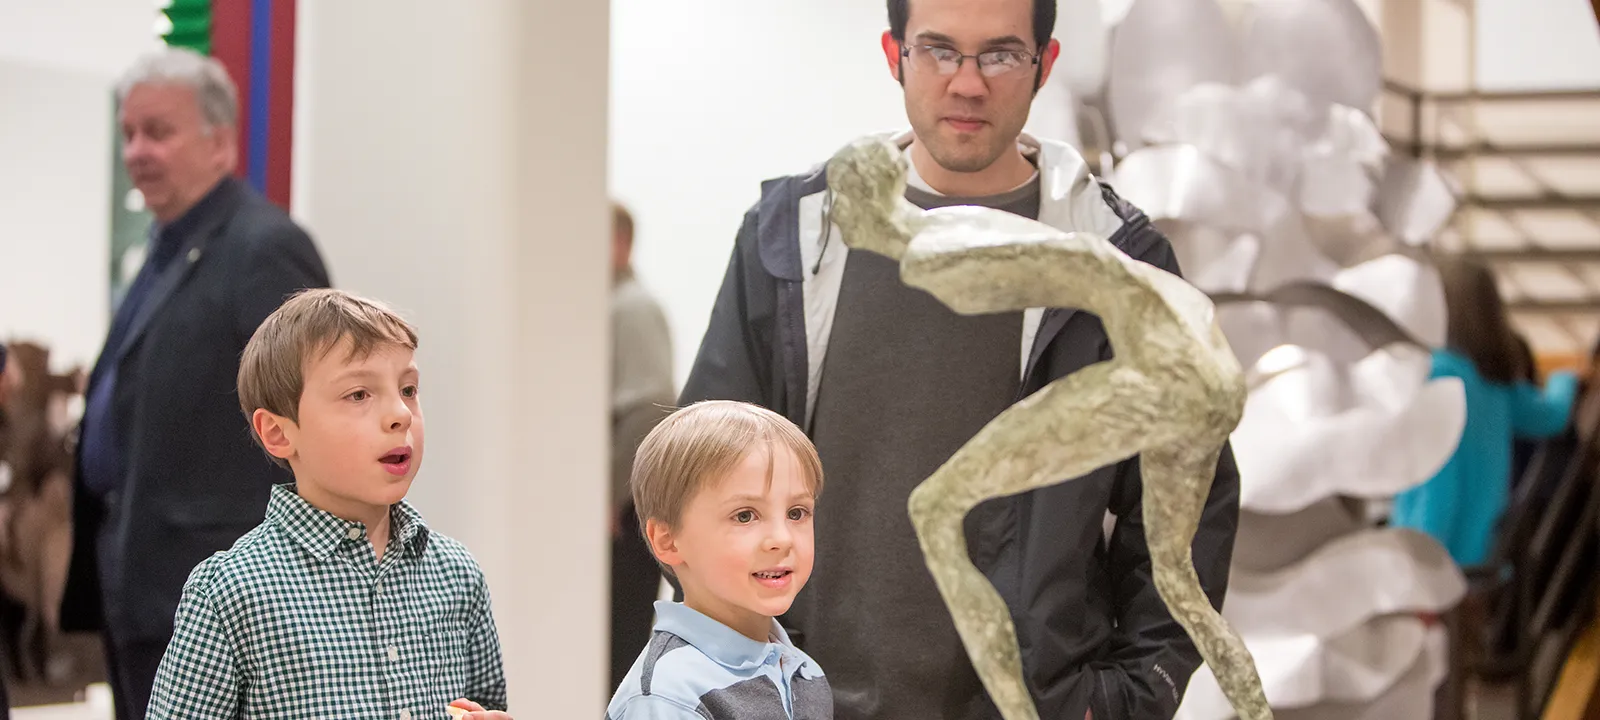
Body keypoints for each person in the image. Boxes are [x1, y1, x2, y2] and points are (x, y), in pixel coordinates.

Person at [676, 0, 1242, 717]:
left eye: (1000, 54)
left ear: (1046, 64)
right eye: (940, 50)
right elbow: (702, 479)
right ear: (895, 56)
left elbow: (1186, 513)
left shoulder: (1122, 259)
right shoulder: (793, 238)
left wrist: (1128, 698)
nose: (967, 83)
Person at [58, 47, 330, 720]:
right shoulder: (163, 248)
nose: (138, 151)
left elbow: (318, 421)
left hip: (218, 593)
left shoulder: (263, 248)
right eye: (128, 134)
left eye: (158, 131)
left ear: (219, 142)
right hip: (139, 581)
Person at [145, 289, 510, 718]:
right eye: (359, 394)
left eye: (408, 389)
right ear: (279, 433)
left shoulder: (457, 575)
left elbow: (489, 704)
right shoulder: (230, 594)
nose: (401, 414)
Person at [607, 401, 831, 719]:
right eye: (744, 516)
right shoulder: (670, 695)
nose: (782, 539)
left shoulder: (805, 673)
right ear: (668, 540)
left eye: (797, 513)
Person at [1390, 257, 1578, 569]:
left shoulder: (1435, 376)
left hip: (1437, 560)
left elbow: (1437, 485)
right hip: (1485, 557)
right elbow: (1551, 417)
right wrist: (1565, 379)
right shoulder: (1494, 382)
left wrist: (1420, 570)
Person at [609, 201, 677, 690]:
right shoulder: (606, 307)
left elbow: (647, 406)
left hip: (624, 509)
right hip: (616, 504)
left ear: (619, 243)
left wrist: (610, 494)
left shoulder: (632, 307)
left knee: (620, 640)